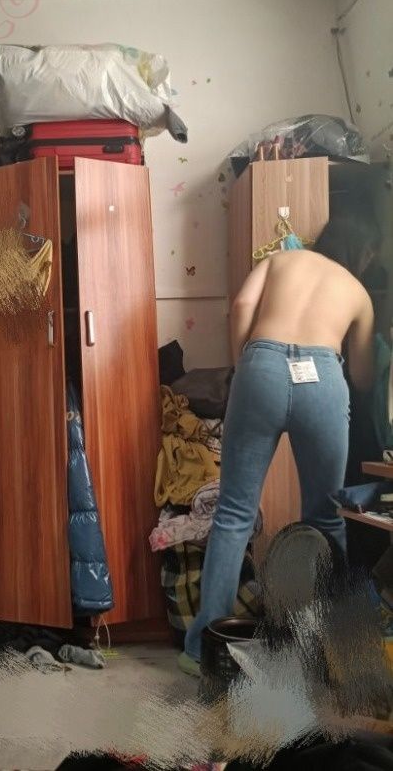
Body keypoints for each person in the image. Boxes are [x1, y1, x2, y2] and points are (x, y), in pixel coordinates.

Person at [178, 213, 380, 677]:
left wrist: (246, 363)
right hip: (323, 377)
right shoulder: (358, 293)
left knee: (234, 514)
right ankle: (322, 652)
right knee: (326, 518)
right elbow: (364, 375)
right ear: (365, 253)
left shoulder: (282, 260)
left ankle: (204, 652)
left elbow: (241, 305)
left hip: (262, 366)